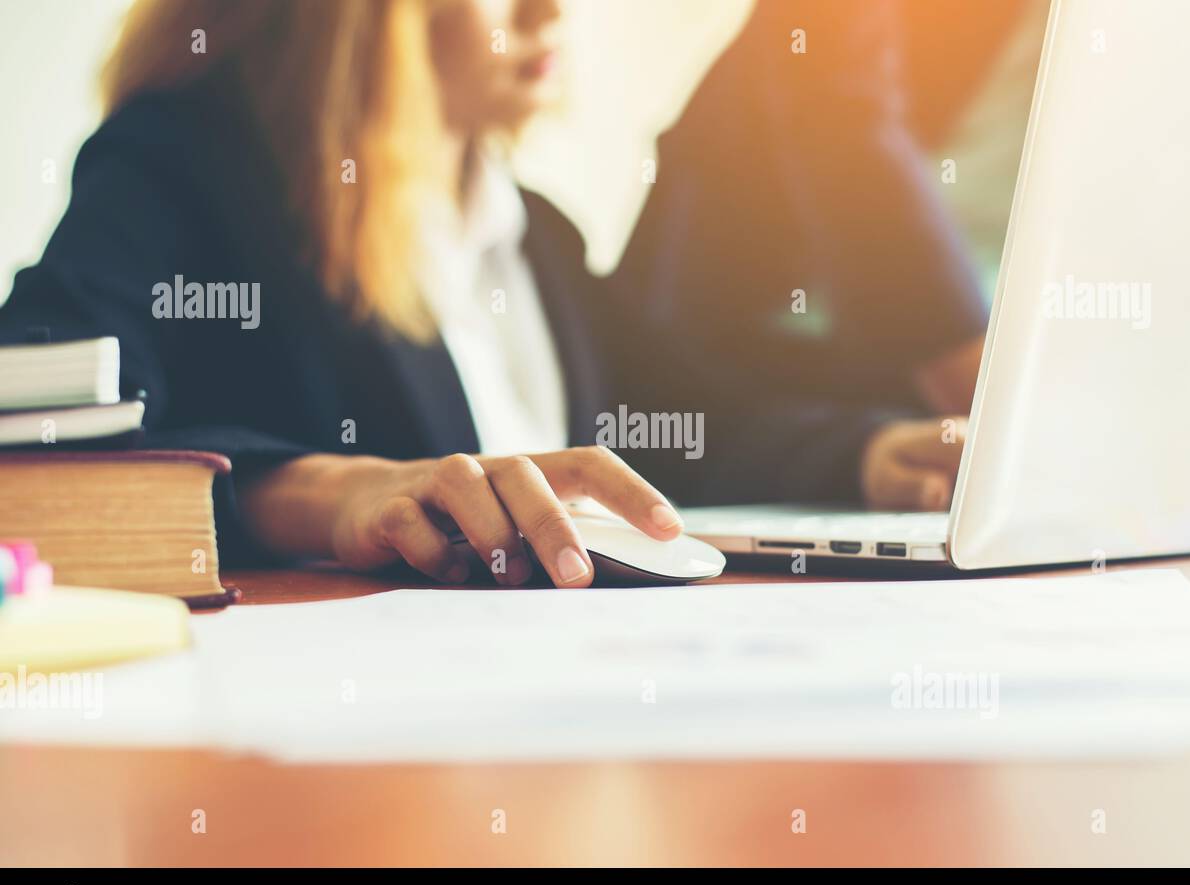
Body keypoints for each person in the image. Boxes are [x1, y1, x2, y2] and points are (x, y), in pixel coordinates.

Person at [0, 0, 973, 589]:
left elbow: (660, 424)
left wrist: (872, 453)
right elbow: (37, 427)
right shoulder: (180, 164)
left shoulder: (528, 227)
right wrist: (322, 489)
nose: (552, 8)